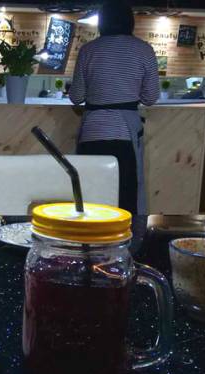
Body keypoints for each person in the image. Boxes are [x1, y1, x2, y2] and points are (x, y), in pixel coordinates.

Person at [69, 0, 159, 214]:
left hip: (92, 132)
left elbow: (76, 97)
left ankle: (88, 234)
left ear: (102, 22)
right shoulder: (144, 50)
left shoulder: (88, 50)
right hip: (126, 133)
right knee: (125, 196)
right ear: (130, 21)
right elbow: (151, 97)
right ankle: (126, 235)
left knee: (90, 195)